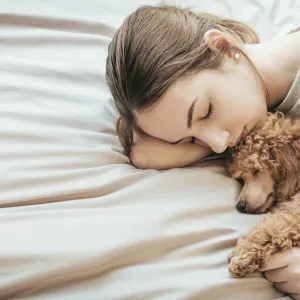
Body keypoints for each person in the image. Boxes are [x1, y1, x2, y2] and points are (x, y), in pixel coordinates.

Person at [106, 4, 300, 298]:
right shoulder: (250, 97)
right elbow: (146, 155)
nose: (220, 145)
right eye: (191, 140)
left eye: (206, 112)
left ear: (222, 47)